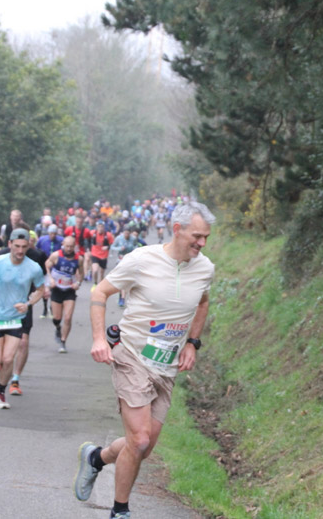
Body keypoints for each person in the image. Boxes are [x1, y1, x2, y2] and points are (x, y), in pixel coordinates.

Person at [74, 202, 216, 519]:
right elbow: (99, 293)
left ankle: (96, 458)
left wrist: (192, 343)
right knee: (138, 440)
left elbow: (203, 303)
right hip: (132, 356)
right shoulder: (141, 260)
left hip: (166, 365)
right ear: (177, 229)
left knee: (145, 447)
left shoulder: (205, 268)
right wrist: (98, 339)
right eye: (197, 236)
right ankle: (120, 511)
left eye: (206, 237)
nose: (202, 243)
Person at [0, 228, 46, 409]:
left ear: (28, 246)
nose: (20, 251)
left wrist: (28, 304)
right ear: (10, 244)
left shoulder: (34, 267)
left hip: (16, 318)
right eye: (17, 246)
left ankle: (0, 393)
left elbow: (41, 289)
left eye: (24, 246)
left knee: (8, 359)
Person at [45, 236, 83, 353]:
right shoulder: (56, 255)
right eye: (67, 246)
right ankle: (58, 327)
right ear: (63, 245)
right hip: (57, 289)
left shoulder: (79, 259)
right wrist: (50, 279)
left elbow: (81, 273)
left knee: (67, 317)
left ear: (74, 246)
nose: (69, 249)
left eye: (71, 246)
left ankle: (63, 341)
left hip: (69, 291)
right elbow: (47, 265)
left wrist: (78, 283)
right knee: (57, 318)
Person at [89, 221, 114, 289]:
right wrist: (88, 249)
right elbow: (86, 238)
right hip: (95, 254)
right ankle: (95, 283)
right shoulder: (92, 233)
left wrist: (107, 247)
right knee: (95, 270)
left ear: (104, 227)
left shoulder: (108, 235)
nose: (100, 228)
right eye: (99, 226)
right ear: (96, 227)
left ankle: (100, 287)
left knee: (102, 273)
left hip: (103, 256)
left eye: (102, 226)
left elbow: (112, 244)